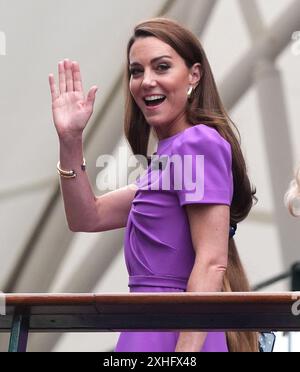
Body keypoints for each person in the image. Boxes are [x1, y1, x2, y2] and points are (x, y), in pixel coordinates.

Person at [49, 17, 258, 352]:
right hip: (150, 325)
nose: (146, 81)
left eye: (161, 67)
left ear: (194, 75)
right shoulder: (167, 159)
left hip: (176, 333)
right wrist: (71, 139)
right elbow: (86, 217)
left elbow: (211, 261)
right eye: (136, 71)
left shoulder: (198, 143)